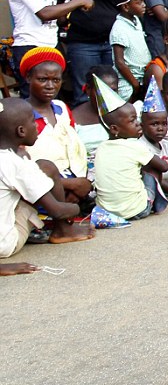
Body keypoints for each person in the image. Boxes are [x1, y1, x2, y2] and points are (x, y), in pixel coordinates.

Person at [0, 97, 94, 262]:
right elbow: (57, 210)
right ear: (21, 131)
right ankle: (63, 229)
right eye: (33, 121)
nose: (36, 125)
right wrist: (76, 207)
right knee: (44, 173)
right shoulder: (15, 164)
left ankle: (62, 230)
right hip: (5, 244)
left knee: (44, 167)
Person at [91, 77, 168, 221]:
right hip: (138, 210)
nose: (138, 124)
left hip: (107, 212)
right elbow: (163, 167)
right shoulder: (135, 146)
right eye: (132, 121)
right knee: (151, 170)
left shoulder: (101, 148)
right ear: (115, 129)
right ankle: (156, 204)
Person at [21, 48, 92, 204]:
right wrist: (72, 185)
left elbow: (75, 151)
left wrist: (79, 184)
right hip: (41, 187)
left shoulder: (61, 108)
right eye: (42, 79)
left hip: (73, 179)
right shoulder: (20, 115)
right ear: (28, 78)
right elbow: (20, 168)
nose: (50, 86)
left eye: (56, 80)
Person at [110, 0, 151, 101]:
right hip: (128, 82)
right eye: (139, 3)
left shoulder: (136, 20)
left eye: (143, 1)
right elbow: (120, 62)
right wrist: (135, 85)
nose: (144, 5)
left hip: (141, 77)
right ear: (126, 7)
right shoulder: (119, 28)